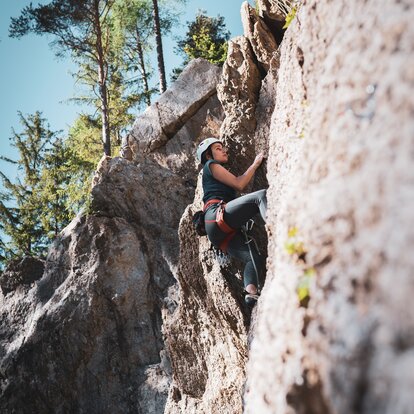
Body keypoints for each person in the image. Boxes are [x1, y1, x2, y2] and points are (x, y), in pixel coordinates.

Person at [196, 137, 267, 305]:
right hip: (216, 215)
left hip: (217, 230)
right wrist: (255, 164)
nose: (224, 150)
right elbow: (239, 184)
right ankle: (277, 228)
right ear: (208, 155)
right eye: (218, 148)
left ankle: (251, 294)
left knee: (253, 258)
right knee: (260, 196)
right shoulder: (211, 166)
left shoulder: (212, 171)